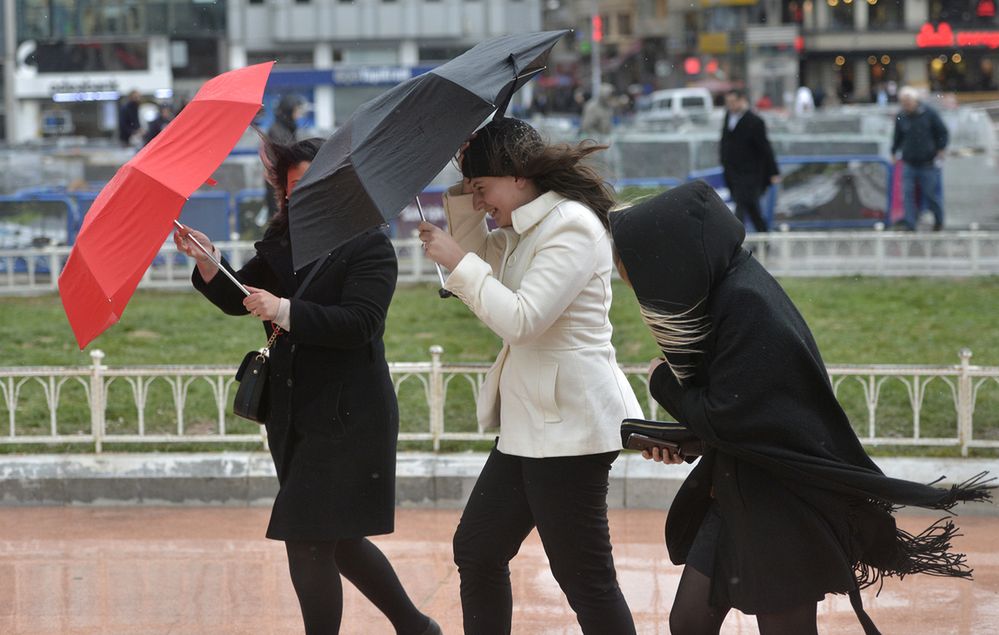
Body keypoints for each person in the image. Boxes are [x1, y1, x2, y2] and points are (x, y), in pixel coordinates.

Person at [609, 181, 993, 635]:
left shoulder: (745, 303)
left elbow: (732, 415)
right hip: (740, 491)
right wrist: (688, 442)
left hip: (781, 505)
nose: (647, 292)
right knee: (690, 621)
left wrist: (662, 384)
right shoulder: (729, 291)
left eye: (642, 276)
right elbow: (752, 416)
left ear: (672, 260)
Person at [173, 138, 441, 635]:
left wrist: (283, 310)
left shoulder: (369, 244)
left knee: (308, 536)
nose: (305, 195)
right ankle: (416, 626)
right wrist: (209, 260)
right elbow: (239, 296)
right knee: (335, 538)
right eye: (295, 187)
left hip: (349, 414)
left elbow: (360, 323)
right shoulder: (284, 241)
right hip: (293, 410)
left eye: (316, 183)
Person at [418, 118, 644, 634]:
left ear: (518, 175)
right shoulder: (525, 226)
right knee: (477, 550)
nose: (481, 202)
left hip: (571, 428)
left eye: (483, 189)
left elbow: (521, 319)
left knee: (585, 579)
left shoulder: (571, 225)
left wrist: (460, 263)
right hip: (530, 426)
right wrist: (463, 189)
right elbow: (478, 263)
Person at [720, 88, 780, 233]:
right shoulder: (728, 117)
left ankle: (735, 241)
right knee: (752, 209)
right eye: (728, 102)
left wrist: (773, 171)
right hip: (733, 172)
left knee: (741, 207)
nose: (731, 105)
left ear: (742, 100)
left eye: (733, 102)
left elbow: (765, 148)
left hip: (750, 173)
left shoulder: (755, 121)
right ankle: (763, 238)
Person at [891, 86, 949, 231]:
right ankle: (910, 224)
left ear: (915, 100)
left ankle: (939, 220)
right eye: (903, 102)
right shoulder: (902, 116)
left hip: (927, 162)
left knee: (930, 194)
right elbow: (897, 137)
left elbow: (942, 131)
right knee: (908, 195)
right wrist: (893, 151)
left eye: (908, 101)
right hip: (909, 162)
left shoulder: (929, 113)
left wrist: (941, 148)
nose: (906, 105)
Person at [263, 94, 306, 219]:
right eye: (296, 110)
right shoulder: (278, 131)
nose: (298, 114)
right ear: (289, 110)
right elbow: (285, 157)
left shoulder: (286, 128)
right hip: (280, 185)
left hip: (284, 183)